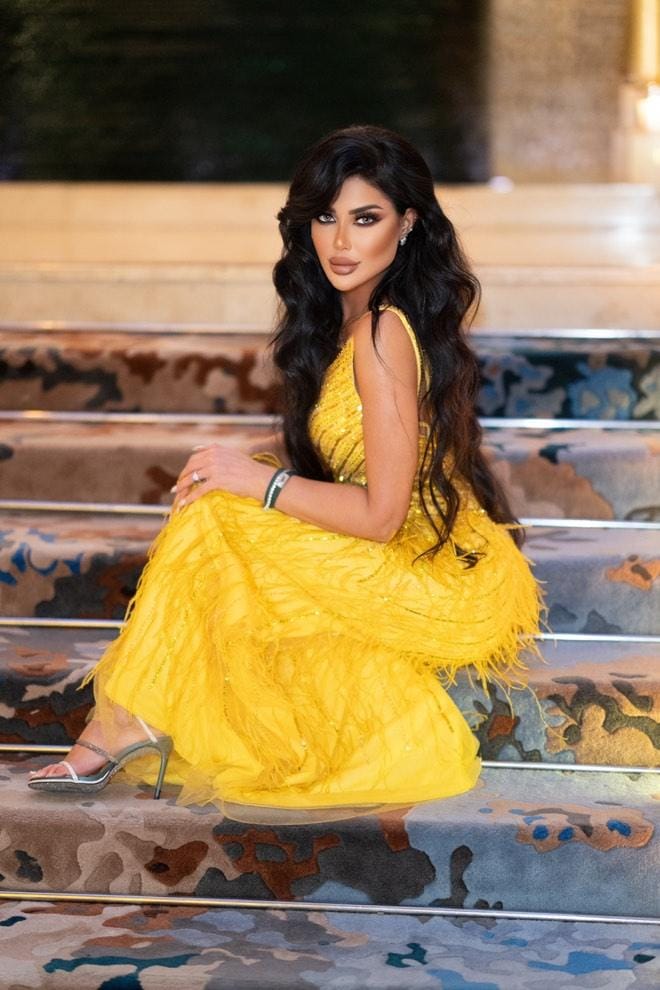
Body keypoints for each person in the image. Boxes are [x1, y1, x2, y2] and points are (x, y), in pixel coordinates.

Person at [28, 124, 542, 820]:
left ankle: (122, 725)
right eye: (326, 218)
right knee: (224, 498)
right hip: (398, 545)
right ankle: (124, 724)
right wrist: (255, 477)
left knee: (224, 506)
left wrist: (259, 483)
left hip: (429, 571)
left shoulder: (384, 333)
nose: (341, 241)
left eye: (366, 219)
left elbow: (382, 518)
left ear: (408, 224)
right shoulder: (349, 324)